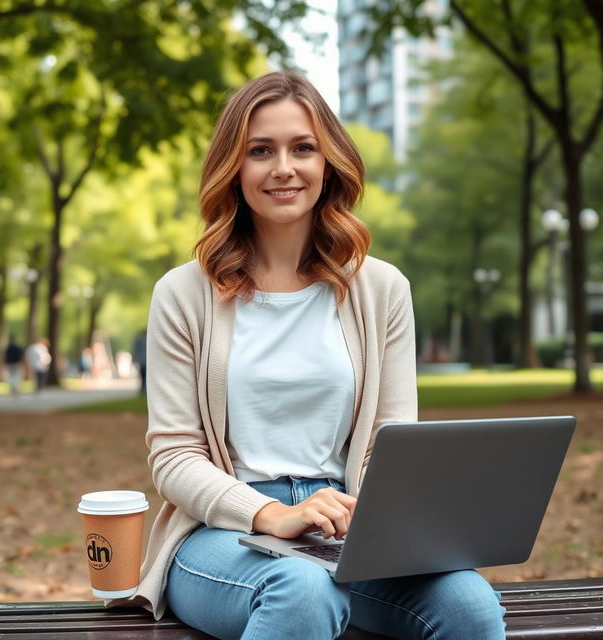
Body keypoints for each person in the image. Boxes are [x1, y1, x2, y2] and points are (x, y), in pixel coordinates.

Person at [121, 73, 506, 639]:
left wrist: (373, 523)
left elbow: (388, 443)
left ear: (329, 164)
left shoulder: (382, 290)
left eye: (303, 148)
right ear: (234, 168)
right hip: (223, 531)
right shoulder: (183, 294)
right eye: (260, 151)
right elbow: (175, 456)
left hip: (348, 526)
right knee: (301, 590)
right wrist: (272, 515)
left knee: (469, 605)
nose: (284, 168)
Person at [132, 329, 147, 394]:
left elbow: (135, 350)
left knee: (142, 376)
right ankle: (144, 389)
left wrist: (134, 358)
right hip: (145, 360)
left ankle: (142, 389)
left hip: (141, 360)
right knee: (145, 376)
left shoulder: (138, 340)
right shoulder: (146, 339)